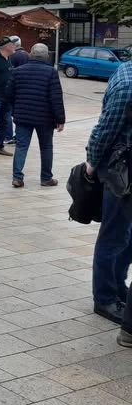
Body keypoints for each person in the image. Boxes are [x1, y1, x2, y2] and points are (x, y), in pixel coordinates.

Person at [86, 57, 132, 327]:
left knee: (126, 236)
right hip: (121, 170)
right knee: (114, 235)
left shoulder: (126, 70)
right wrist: (91, 165)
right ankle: (104, 297)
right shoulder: (128, 85)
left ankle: (117, 286)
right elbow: (104, 130)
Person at [6, 43, 65, 189]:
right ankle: (46, 178)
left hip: (22, 116)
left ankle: (17, 177)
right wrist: (60, 119)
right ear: (46, 56)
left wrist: (16, 109)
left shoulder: (18, 71)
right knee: (46, 147)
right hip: (44, 118)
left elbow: (9, 94)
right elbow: (55, 97)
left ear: (31, 54)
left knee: (21, 146)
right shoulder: (50, 72)